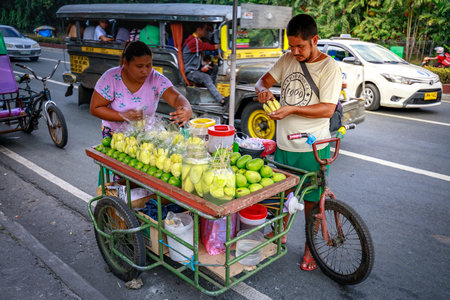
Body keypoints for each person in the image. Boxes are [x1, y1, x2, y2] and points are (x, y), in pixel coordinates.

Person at [255, 14, 342, 271]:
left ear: (315, 40)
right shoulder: (287, 59)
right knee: (283, 195)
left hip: (312, 148)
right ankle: (279, 234)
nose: (295, 51)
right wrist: (263, 90)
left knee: (312, 202)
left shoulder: (330, 68)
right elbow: (264, 80)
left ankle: (310, 249)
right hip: (283, 144)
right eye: (291, 46)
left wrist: (291, 109)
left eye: (300, 46)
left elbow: (327, 109)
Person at [90, 41, 192, 139]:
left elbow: (175, 97)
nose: (145, 71)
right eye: (139, 66)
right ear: (126, 63)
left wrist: (186, 108)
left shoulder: (156, 78)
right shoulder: (111, 78)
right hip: (116, 134)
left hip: (146, 134)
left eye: (148, 65)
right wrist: (123, 116)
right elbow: (95, 108)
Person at [182, 23, 226, 105]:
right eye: (205, 30)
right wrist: (223, 44)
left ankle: (211, 92)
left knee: (215, 68)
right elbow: (209, 47)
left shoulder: (196, 40)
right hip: (190, 72)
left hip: (196, 69)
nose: (206, 32)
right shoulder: (193, 41)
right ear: (199, 30)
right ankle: (221, 100)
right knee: (206, 78)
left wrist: (205, 65)